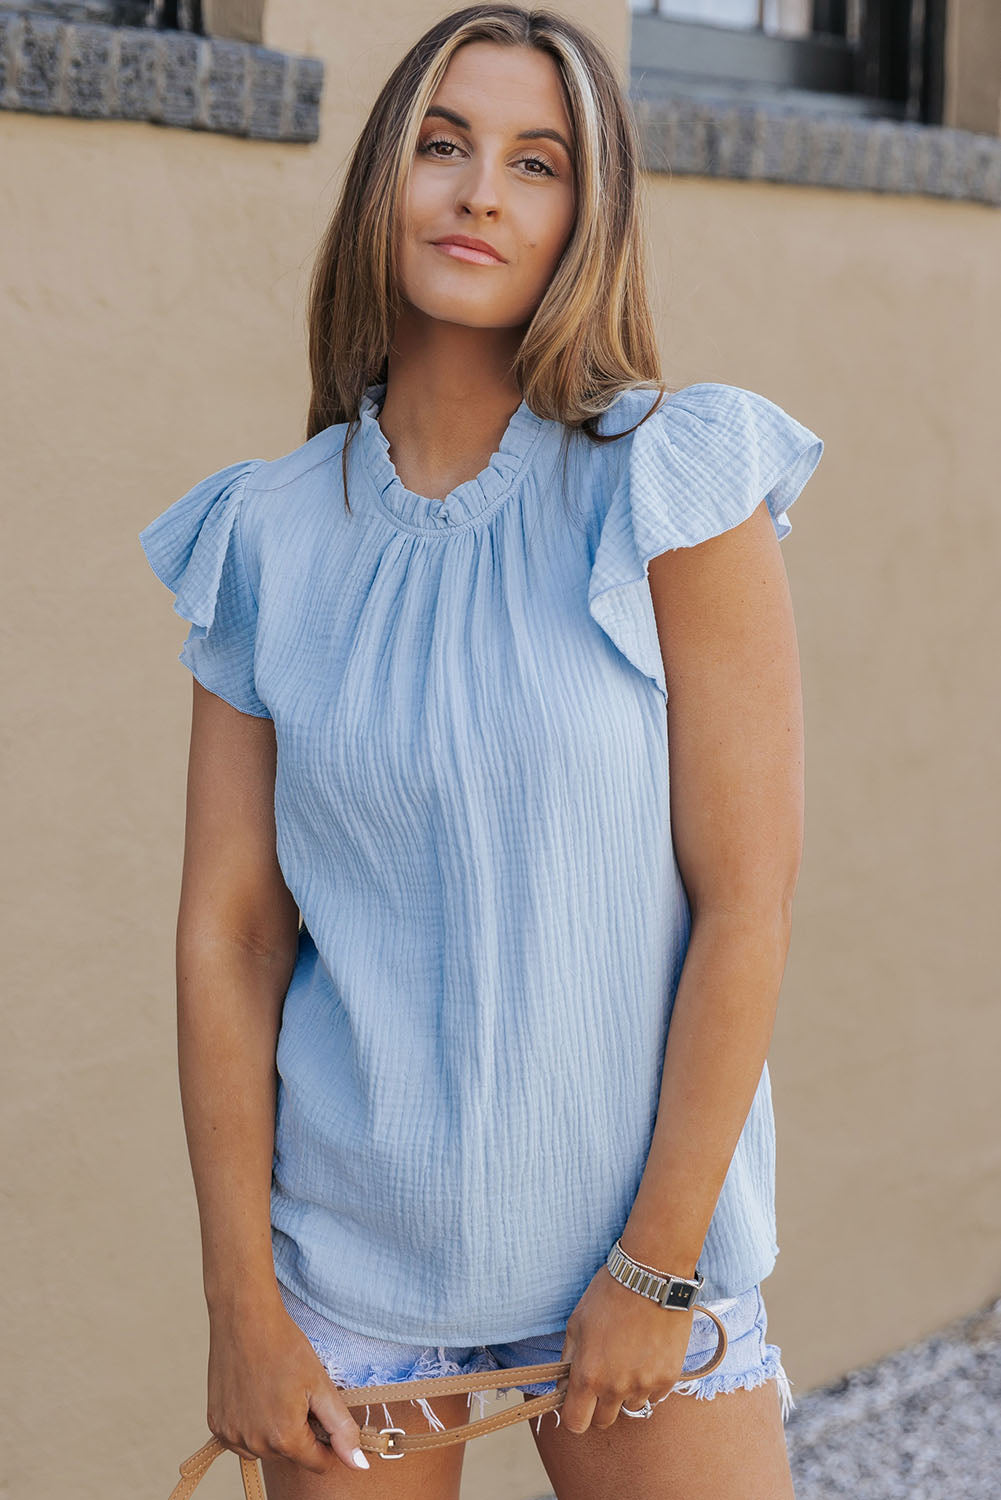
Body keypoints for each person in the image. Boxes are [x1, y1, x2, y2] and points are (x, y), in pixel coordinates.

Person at [138, 5, 824, 1497]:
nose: (480, 195)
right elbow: (233, 936)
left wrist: (652, 1269)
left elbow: (745, 903)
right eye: (443, 146)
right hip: (350, 1291)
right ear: (384, 176)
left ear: (590, 212)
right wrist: (241, 1309)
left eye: (537, 161)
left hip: (638, 1268)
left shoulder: (669, 485)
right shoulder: (263, 535)